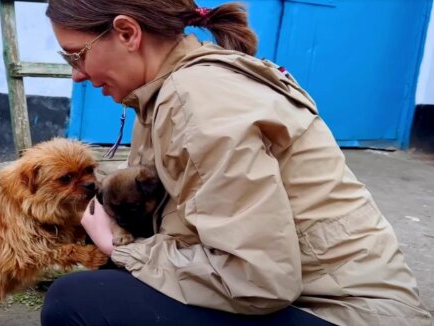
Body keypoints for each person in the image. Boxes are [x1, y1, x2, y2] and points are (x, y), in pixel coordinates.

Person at [41, 1, 433, 325]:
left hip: (343, 311)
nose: (76, 75)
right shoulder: (165, 92)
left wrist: (117, 247)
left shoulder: (198, 101)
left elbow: (258, 280)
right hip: (306, 292)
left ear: (128, 33)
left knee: (75, 302)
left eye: (75, 55)